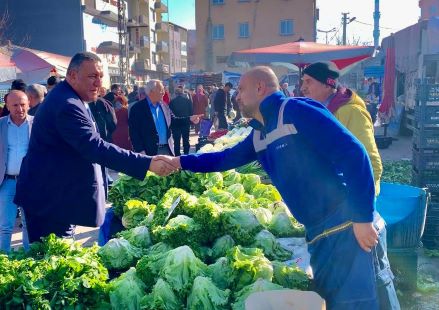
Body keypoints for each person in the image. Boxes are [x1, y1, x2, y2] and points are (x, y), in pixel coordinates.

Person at [165, 66, 399, 310]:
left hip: (346, 227)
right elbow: (223, 159)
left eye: (242, 89)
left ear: (260, 88)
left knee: (359, 304)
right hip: (319, 233)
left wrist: (361, 218)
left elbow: (354, 154)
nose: (237, 96)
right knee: (332, 301)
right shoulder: (259, 133)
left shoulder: (296, 111)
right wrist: (180, 162)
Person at [14, 52, 178, 243]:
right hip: (50, 205)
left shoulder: (71, 98)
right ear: (72, 76)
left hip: (57, 200)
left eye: (100, 77)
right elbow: (94, 146)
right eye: (92, 76)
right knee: (53, 263)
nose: (98, 83)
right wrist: (147, 163)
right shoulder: (67, 104)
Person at [301, 62, 383, 196]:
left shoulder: (352, 112)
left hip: (348, 203)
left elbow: (371, 162)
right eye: (303, 82)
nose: (303, 88)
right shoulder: (319, 112)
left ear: (327, 84)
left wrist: (358, 203)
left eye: (308, 82)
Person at [0, 90, 31, 253]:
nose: (20, 109)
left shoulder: (37, 124)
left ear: (29, 104)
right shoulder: (1, 125)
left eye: (23, 104)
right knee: (5, 226)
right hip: (7, 181)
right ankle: (3, 261)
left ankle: (28, 259)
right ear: (7, 106)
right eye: (15, 105)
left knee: (28, 224)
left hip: (29, 182)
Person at [129, 79, 174, 156]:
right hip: (149, 152)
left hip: (167, 150)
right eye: (161, 90)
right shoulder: (137, 108)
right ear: (151, 92)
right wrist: (140, 151)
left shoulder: (164, 106)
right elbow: (134, 133)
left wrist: (189, 119)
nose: (164, 92)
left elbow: (174, 120)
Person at [169, 87, 193, 155]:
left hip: (175, 124)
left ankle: (177, 156)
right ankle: (186, 154)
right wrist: (190, 122)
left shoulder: (172, 102)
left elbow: (170, 114)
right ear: (182, 93)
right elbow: (191, 112)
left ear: (175, 94)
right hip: (186, 123)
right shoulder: (188, 101)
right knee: (186, 140)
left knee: (176, 141)